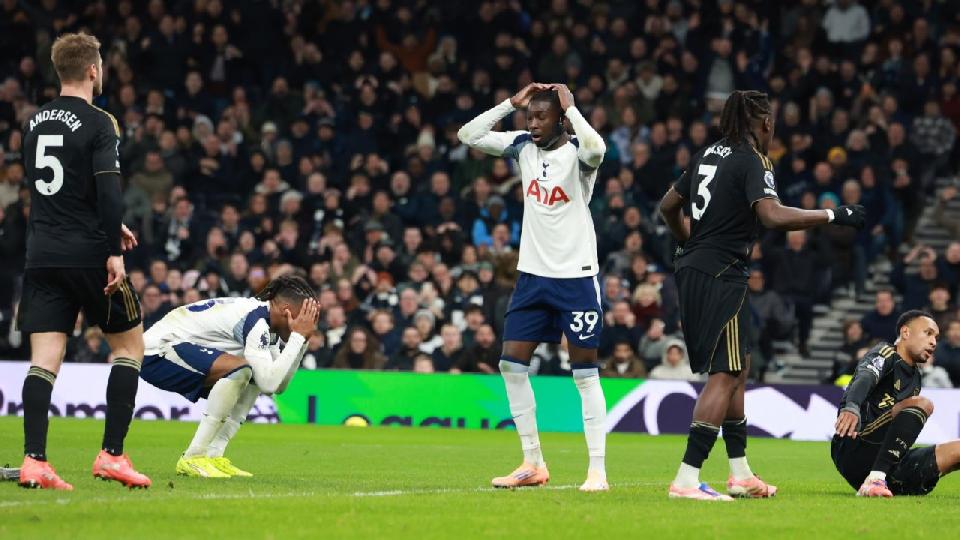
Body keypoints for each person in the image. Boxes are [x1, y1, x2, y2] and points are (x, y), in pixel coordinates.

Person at [659, 90, 865, 501]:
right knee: (725, 374)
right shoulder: (753, 159)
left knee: (739, 368)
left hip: (695, 268)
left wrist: (689, 242)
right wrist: (832, 214)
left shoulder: (706, 154)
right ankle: (686, 478)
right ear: (766, 122)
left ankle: (740, 474)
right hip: (723, 272)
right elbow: (771, 215)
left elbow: (668, 206)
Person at [458, 82, 609, 491]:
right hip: (532, 277)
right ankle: (532, 463)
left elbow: (598, 149)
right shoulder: (522, 146)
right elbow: (468, 135)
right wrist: (510, 103)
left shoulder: (578, 154)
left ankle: (597, 471)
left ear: (560, 120)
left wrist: (572, 108)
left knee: (584, 373)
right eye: (530, 117)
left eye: (542, 117)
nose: (534, 124)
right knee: (511, 365)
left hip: (576, 277)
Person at [16, 33, 149, 490]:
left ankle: (35, 461)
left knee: (44, 361)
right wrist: (113, 248)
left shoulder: (33, 122)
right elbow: (108, 189)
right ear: (93, 70)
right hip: (89, 254)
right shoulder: (100, 122)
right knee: (129, 348)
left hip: (41, 254)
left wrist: (106, 223)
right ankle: (112, 455)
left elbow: (54, 190)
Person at [139, 275, 318, 478]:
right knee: (241, 370)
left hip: (176, 348)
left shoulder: (268, 324)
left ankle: (213, 454)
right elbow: (269, 384)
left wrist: (302, 342)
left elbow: (277, 384)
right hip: (156, 352)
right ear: (286, 311)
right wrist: (297, 337)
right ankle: (193, 457)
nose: (307, 324)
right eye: (304, 318)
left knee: (254, 374)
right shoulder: (256, 321)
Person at [831, 311, 953, 497]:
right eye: (928, 333)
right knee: (923, 404)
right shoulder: (886, 353)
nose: (933, 342)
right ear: (906, 332)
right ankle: (875, 480)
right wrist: (852, 406)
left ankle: (884, 481)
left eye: (936, 337)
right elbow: (865, 377)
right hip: (855, 445)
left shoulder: (915, 378)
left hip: (887, 461)